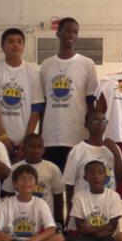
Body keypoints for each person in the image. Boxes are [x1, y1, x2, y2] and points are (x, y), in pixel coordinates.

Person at [40, 17, 98, 172]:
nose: (71, 35)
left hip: (77, 136)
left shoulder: (87, 64)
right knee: (53, 186)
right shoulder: (46, 65)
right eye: (67, 30)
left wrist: (93, 136)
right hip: (50, 137)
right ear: (58, 33)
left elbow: (91, 103)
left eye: (75, 32)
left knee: (76, 184)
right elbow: (43, 104)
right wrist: (40, 135)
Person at [0, 28, 44, 160]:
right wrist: (2, 136)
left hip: (23, 143)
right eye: (10, 42)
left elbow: (36, 109)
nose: (15, 45)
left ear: (23, 47)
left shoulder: (33, 72)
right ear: (2, 46)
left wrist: (26, 141)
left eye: (19, 42)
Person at [0, 165, 64, 241]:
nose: (27, 182)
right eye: (23, 179)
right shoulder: (7, 203)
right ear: (15, 184)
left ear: (35, 184)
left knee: (59, 238)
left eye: (30, 179)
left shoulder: (40, 203)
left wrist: (34, 240)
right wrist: (1, 234)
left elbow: (51, 229)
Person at [63, 111, 122, 220]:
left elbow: (120, 178)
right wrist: (69, 211)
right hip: (84, 207)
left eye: (104, 121)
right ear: (86, 125)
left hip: (107, 206)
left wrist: (116, 153)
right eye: (95, 121)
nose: (100, 124)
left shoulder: (113, 147)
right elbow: (69, 183)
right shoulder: (78, 150)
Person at [64, 160, 122, 241]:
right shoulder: (79, 197)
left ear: (106, 176)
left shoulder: (114, 196)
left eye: (100, 173)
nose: (96, 176)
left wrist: (92, 230)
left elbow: (112, 226)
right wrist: (100, 229)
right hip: (86, 237)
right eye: (92, 173)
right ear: (85, 177)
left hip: (107, 237)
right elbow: (80, 228)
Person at [2, 134, 64, 224]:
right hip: (21, 218)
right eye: (31, 147)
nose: (36, 151)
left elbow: (58, 196)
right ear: (24, 149)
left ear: (44, 150)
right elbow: (9, 194)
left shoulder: (52, 168)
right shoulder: (14, 169)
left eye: (39, 147)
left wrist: (59, 221)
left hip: (45, 219)